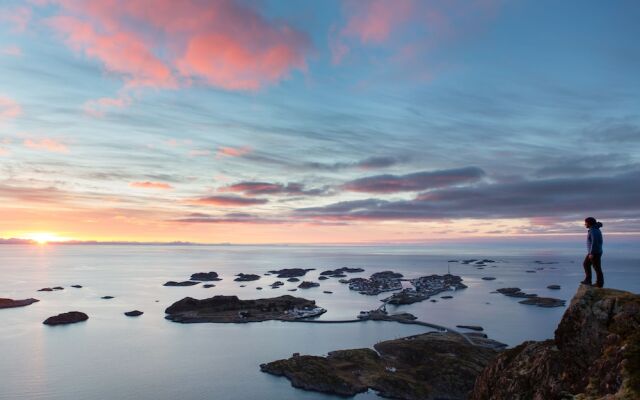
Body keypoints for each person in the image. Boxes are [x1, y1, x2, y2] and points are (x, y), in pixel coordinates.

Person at [581, 217, 604, 287]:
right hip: (595, 251)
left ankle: (599, 284)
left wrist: (592, 253)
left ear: (589, 223)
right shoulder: (594, 229)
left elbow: (595, 242)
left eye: (586, 223)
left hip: (594, 252)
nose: (585, 224)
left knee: (596, 268)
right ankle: (589, 280)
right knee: (586, 264)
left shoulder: (593, 230)